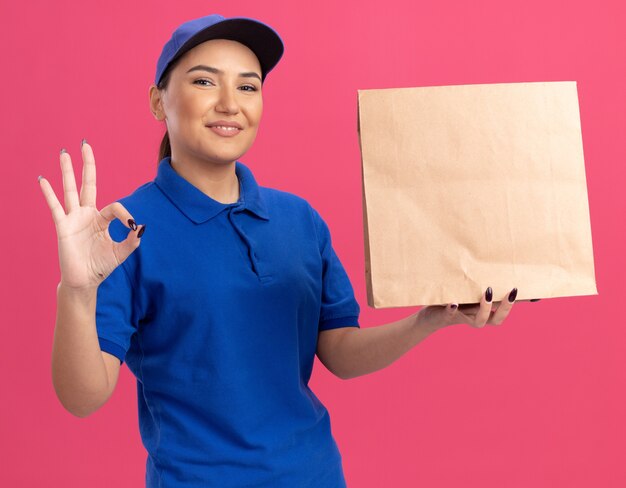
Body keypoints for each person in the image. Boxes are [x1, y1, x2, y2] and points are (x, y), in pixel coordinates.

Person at [39, 13, 521, 488]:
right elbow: (82, 397)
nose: (230, 104)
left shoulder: (299, 219)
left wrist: (429, 318)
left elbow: (340, 352)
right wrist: (77, 292)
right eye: (205, 81)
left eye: (248, 87)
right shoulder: (124, 231)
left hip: (315, 474)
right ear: (157, 101)